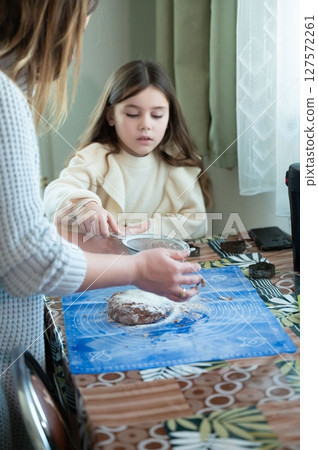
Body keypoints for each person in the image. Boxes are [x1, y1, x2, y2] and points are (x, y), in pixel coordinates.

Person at [0, 2, 203, 449]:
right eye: (86, 10)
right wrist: (92, 219)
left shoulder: (178, 168)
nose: (87, 24)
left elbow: (196, 221)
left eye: (156, 114)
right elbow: (30, 248)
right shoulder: (10, 105)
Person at [43, 60, 212, 241]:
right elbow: (55, 193)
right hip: (104, 264)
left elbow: (197, 223)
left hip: (158, 260)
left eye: (157, 115)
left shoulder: (177, 161)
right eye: (132, 114)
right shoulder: (95, 157)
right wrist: (85, 205)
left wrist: (146, 230)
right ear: (110, 116)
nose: (146, 125)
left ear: (169, 118)